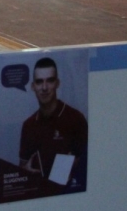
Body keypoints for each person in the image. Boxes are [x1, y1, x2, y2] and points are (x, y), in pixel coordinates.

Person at [19, 57, 88, 186]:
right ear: (33, 86)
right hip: (39, 192)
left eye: (50, 81)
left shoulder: (76, 119)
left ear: (57, 83)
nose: (44, 87)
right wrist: (25, 171)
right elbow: (22, 167)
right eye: (39, 82)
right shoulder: (28, 125)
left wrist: (73, 168)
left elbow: (87, 165)